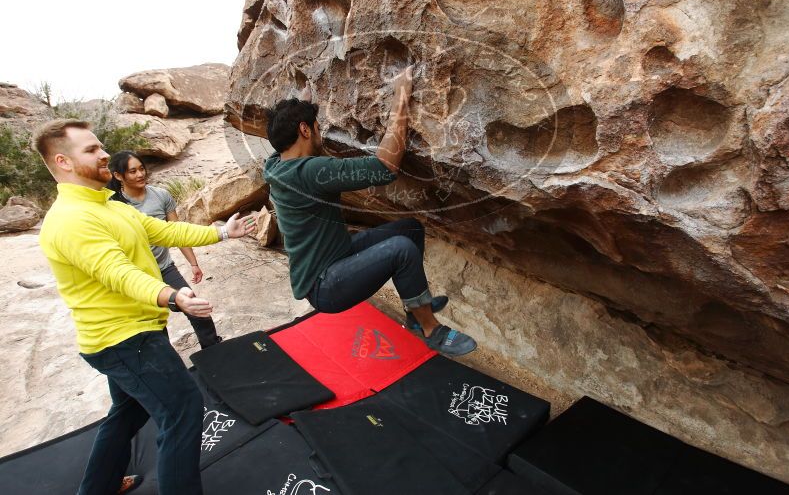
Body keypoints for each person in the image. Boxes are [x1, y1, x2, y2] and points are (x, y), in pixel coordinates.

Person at [32, 119, 256, 495]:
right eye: (90, 150)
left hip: (131, 334)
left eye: (100, 146)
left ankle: (98, 487)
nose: (104, 154)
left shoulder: (109, 206)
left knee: (129, 411)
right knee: (182, 409)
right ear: (63, 162)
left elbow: (164, 231)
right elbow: (115, 272)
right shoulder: (71, 219)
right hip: (123, 340)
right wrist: (171, 295)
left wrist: (219, 232)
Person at [263, 67, 476, 356]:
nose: (320, 132)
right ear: (304, 130)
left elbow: (288, 135)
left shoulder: (277, 165)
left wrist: (302, 102)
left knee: (410, 229)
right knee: (401, 250)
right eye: (316, 127)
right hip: (325, 286)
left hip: (336, 256)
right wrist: (401, 99)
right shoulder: (311, 171)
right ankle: (431, 330)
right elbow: (384, 168)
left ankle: (415, 310)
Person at [106, 151, 221, 349]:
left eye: (141, 169)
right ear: (118, 176)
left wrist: (193, 264)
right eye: (132, 171)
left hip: (164, 268)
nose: (140, 174)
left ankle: (213, 350)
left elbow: (176, 232)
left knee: (197, 310)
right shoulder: (114, 206)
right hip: (138, 274)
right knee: (154, 325)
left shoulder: (161, 195)